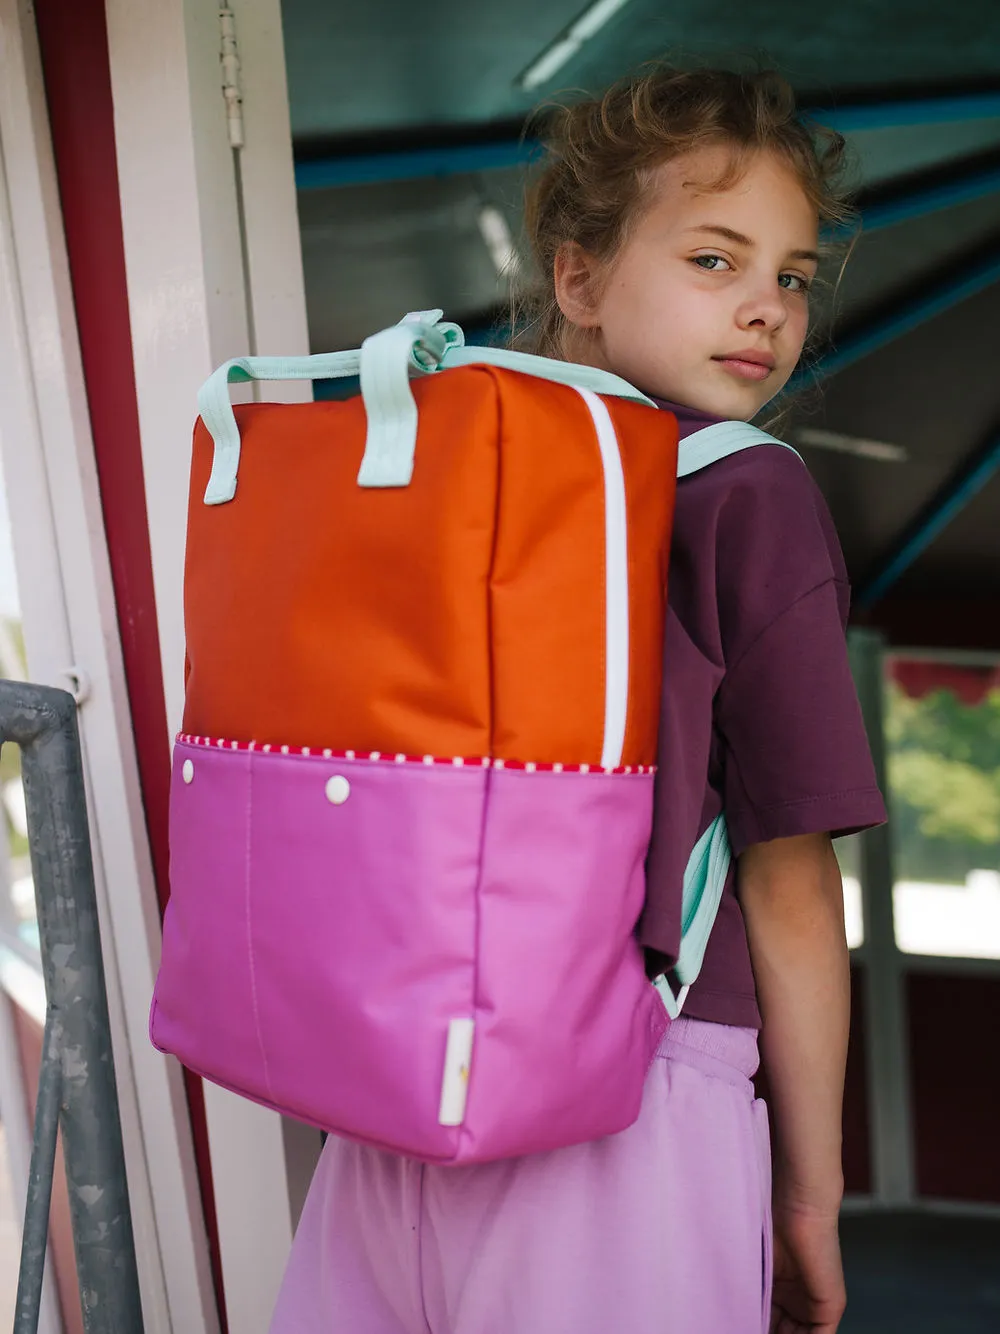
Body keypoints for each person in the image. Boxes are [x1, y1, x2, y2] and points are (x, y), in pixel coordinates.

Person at [269, 66, 886, 1334]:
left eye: (791, 275)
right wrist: (811, 1200)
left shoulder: (441, 464)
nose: (765, 308)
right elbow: (788, 878)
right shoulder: (746, 496)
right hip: (630, 1105)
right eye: (716, 260)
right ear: (578, 277)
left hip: (395, 1099)